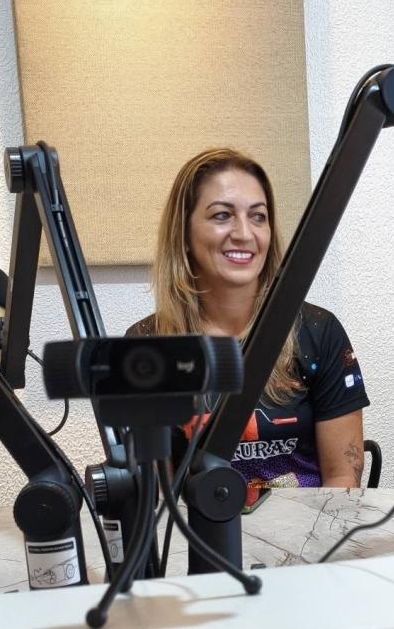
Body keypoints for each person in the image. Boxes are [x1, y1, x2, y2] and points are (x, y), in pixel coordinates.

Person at [129, 148, 367, 495]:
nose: (244, 233)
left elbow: (343, 481)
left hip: (305, 539)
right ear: (184, 232)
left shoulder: (318, 331)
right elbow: (154, 498)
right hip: (198, 541)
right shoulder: (147, 344)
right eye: (223, 215)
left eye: (258, 217)